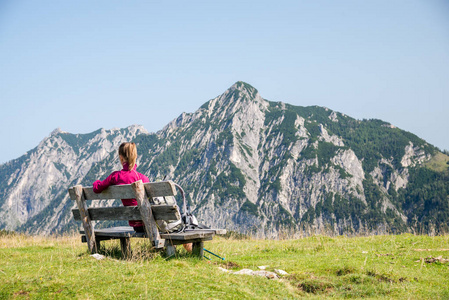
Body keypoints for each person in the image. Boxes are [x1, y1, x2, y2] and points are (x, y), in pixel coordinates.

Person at [93, 142, 149, 232]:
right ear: (135, 157)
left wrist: (96, 182)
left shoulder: (115, 176)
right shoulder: (142, 178)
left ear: (121, 158)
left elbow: (97, 188)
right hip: (148, 222)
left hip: (136, 225)